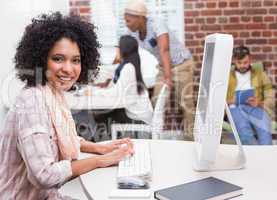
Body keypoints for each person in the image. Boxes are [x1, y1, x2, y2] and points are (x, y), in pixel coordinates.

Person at [0, 12, 134, 200]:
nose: (69, 69)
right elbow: (45, 175)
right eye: (58, 58)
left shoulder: (51, 93)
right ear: (40, 58)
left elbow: (59, 137)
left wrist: (100, 148)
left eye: (76, 60)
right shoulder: (32, 101)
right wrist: (101, 160)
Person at [123, 0, 195, 138]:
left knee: (186, 103)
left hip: (182, 64)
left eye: (128, 20)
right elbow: (126, 50)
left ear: (140, 18)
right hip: (163, 66)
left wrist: (168, 77)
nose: (126, 24)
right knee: (157, 100)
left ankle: (192, 139)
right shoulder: (133, 32)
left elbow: (164, 50)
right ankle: (157, 137)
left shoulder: (156, 23)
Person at [92, 35, 153, 137]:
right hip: (139, 115)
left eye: (117, 47)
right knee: (103, 114)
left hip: (138, 119)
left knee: (101, 115)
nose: (116, 51)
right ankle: (105, 141)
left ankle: (104, 142)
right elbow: (109, 71)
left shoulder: (128, 68)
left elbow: (116, 93)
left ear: (123, 49)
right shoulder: (130, 65)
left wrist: (94, 92)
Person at [227, 46, 273, 145]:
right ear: (234, 61)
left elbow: (270, 94)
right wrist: (232, 101)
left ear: (250, 59)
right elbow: (218, 99)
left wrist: (260, 103)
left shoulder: (260, 74)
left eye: (245, 62)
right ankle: (254, 158)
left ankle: (267, 158)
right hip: (235, 108)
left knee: (265, 128)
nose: (242, 65)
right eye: (239, 63)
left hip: (255, 107)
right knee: (244, 131)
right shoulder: (227, 76)